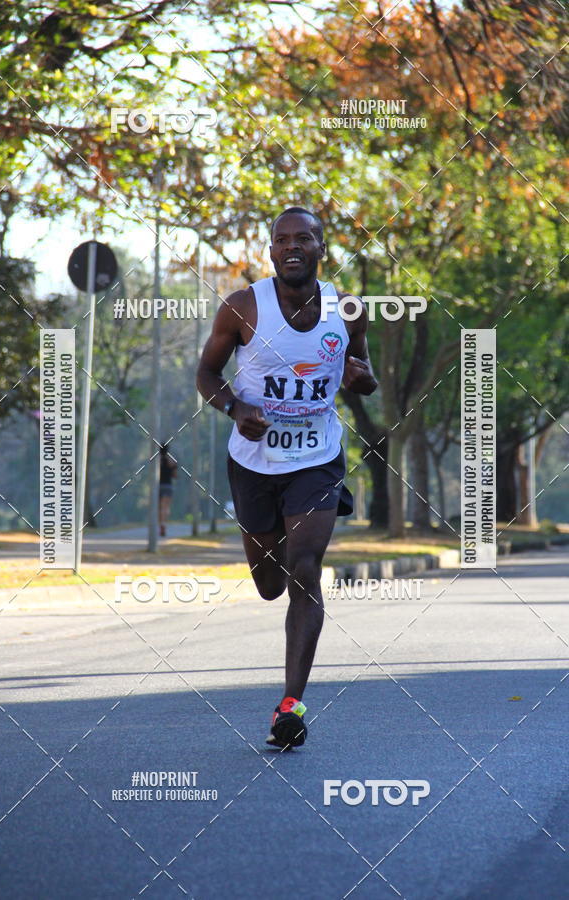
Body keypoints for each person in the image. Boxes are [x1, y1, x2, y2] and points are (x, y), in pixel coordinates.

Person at [196, 207, 378, 748]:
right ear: (271, 251)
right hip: (253, 461)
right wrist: (233, 408)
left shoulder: (347, 311)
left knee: (304, 569)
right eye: (283, 240)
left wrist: (361, 379)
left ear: (322, 247)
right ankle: (264, 548)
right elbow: (206, 373)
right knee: (271, 584)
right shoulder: (243, 307)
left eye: (305, 238)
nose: (292, 247)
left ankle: (290, 707)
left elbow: (362, 379)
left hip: (317, 458)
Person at [159, 444, 178, 537]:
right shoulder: (172, 462)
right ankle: (163, 524)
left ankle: (161, 524)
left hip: (158, 486)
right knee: (166, 507)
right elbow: (175, 476)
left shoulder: (157, 461)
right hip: (168, 486)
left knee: (160, 507)